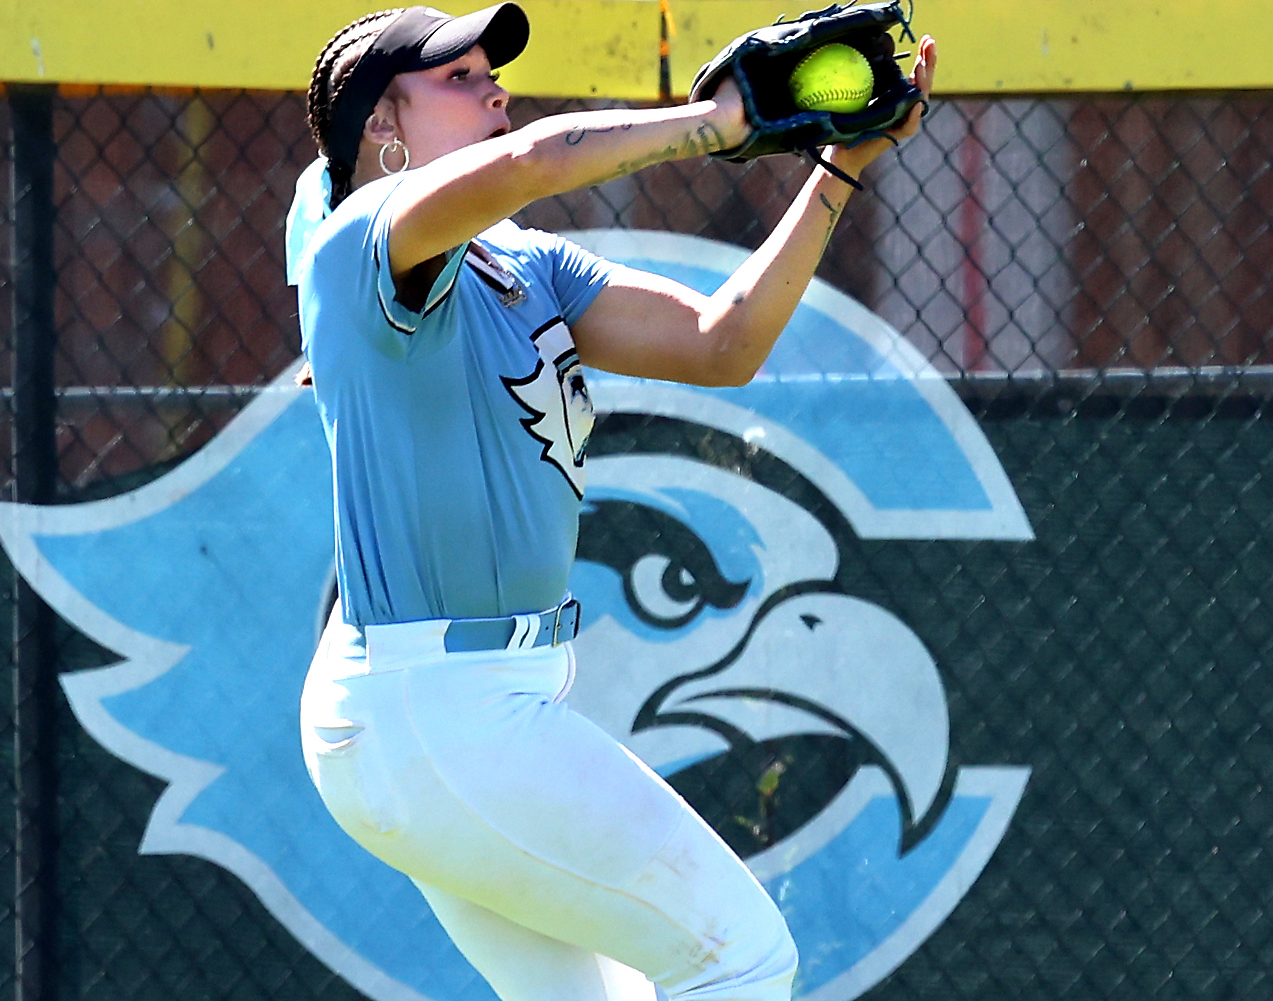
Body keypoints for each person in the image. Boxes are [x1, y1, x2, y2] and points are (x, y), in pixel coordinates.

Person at [287, 6, 937, 1001]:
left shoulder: (524, 265)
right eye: (456, 77)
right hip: (434, 708)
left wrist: (837, 168)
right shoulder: (357, 245)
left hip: (450, 710)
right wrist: (716, 122)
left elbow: (721, 341)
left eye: (488, 73)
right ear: (386, 126)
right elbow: (532, 164)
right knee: (740, 957)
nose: (493, 87)